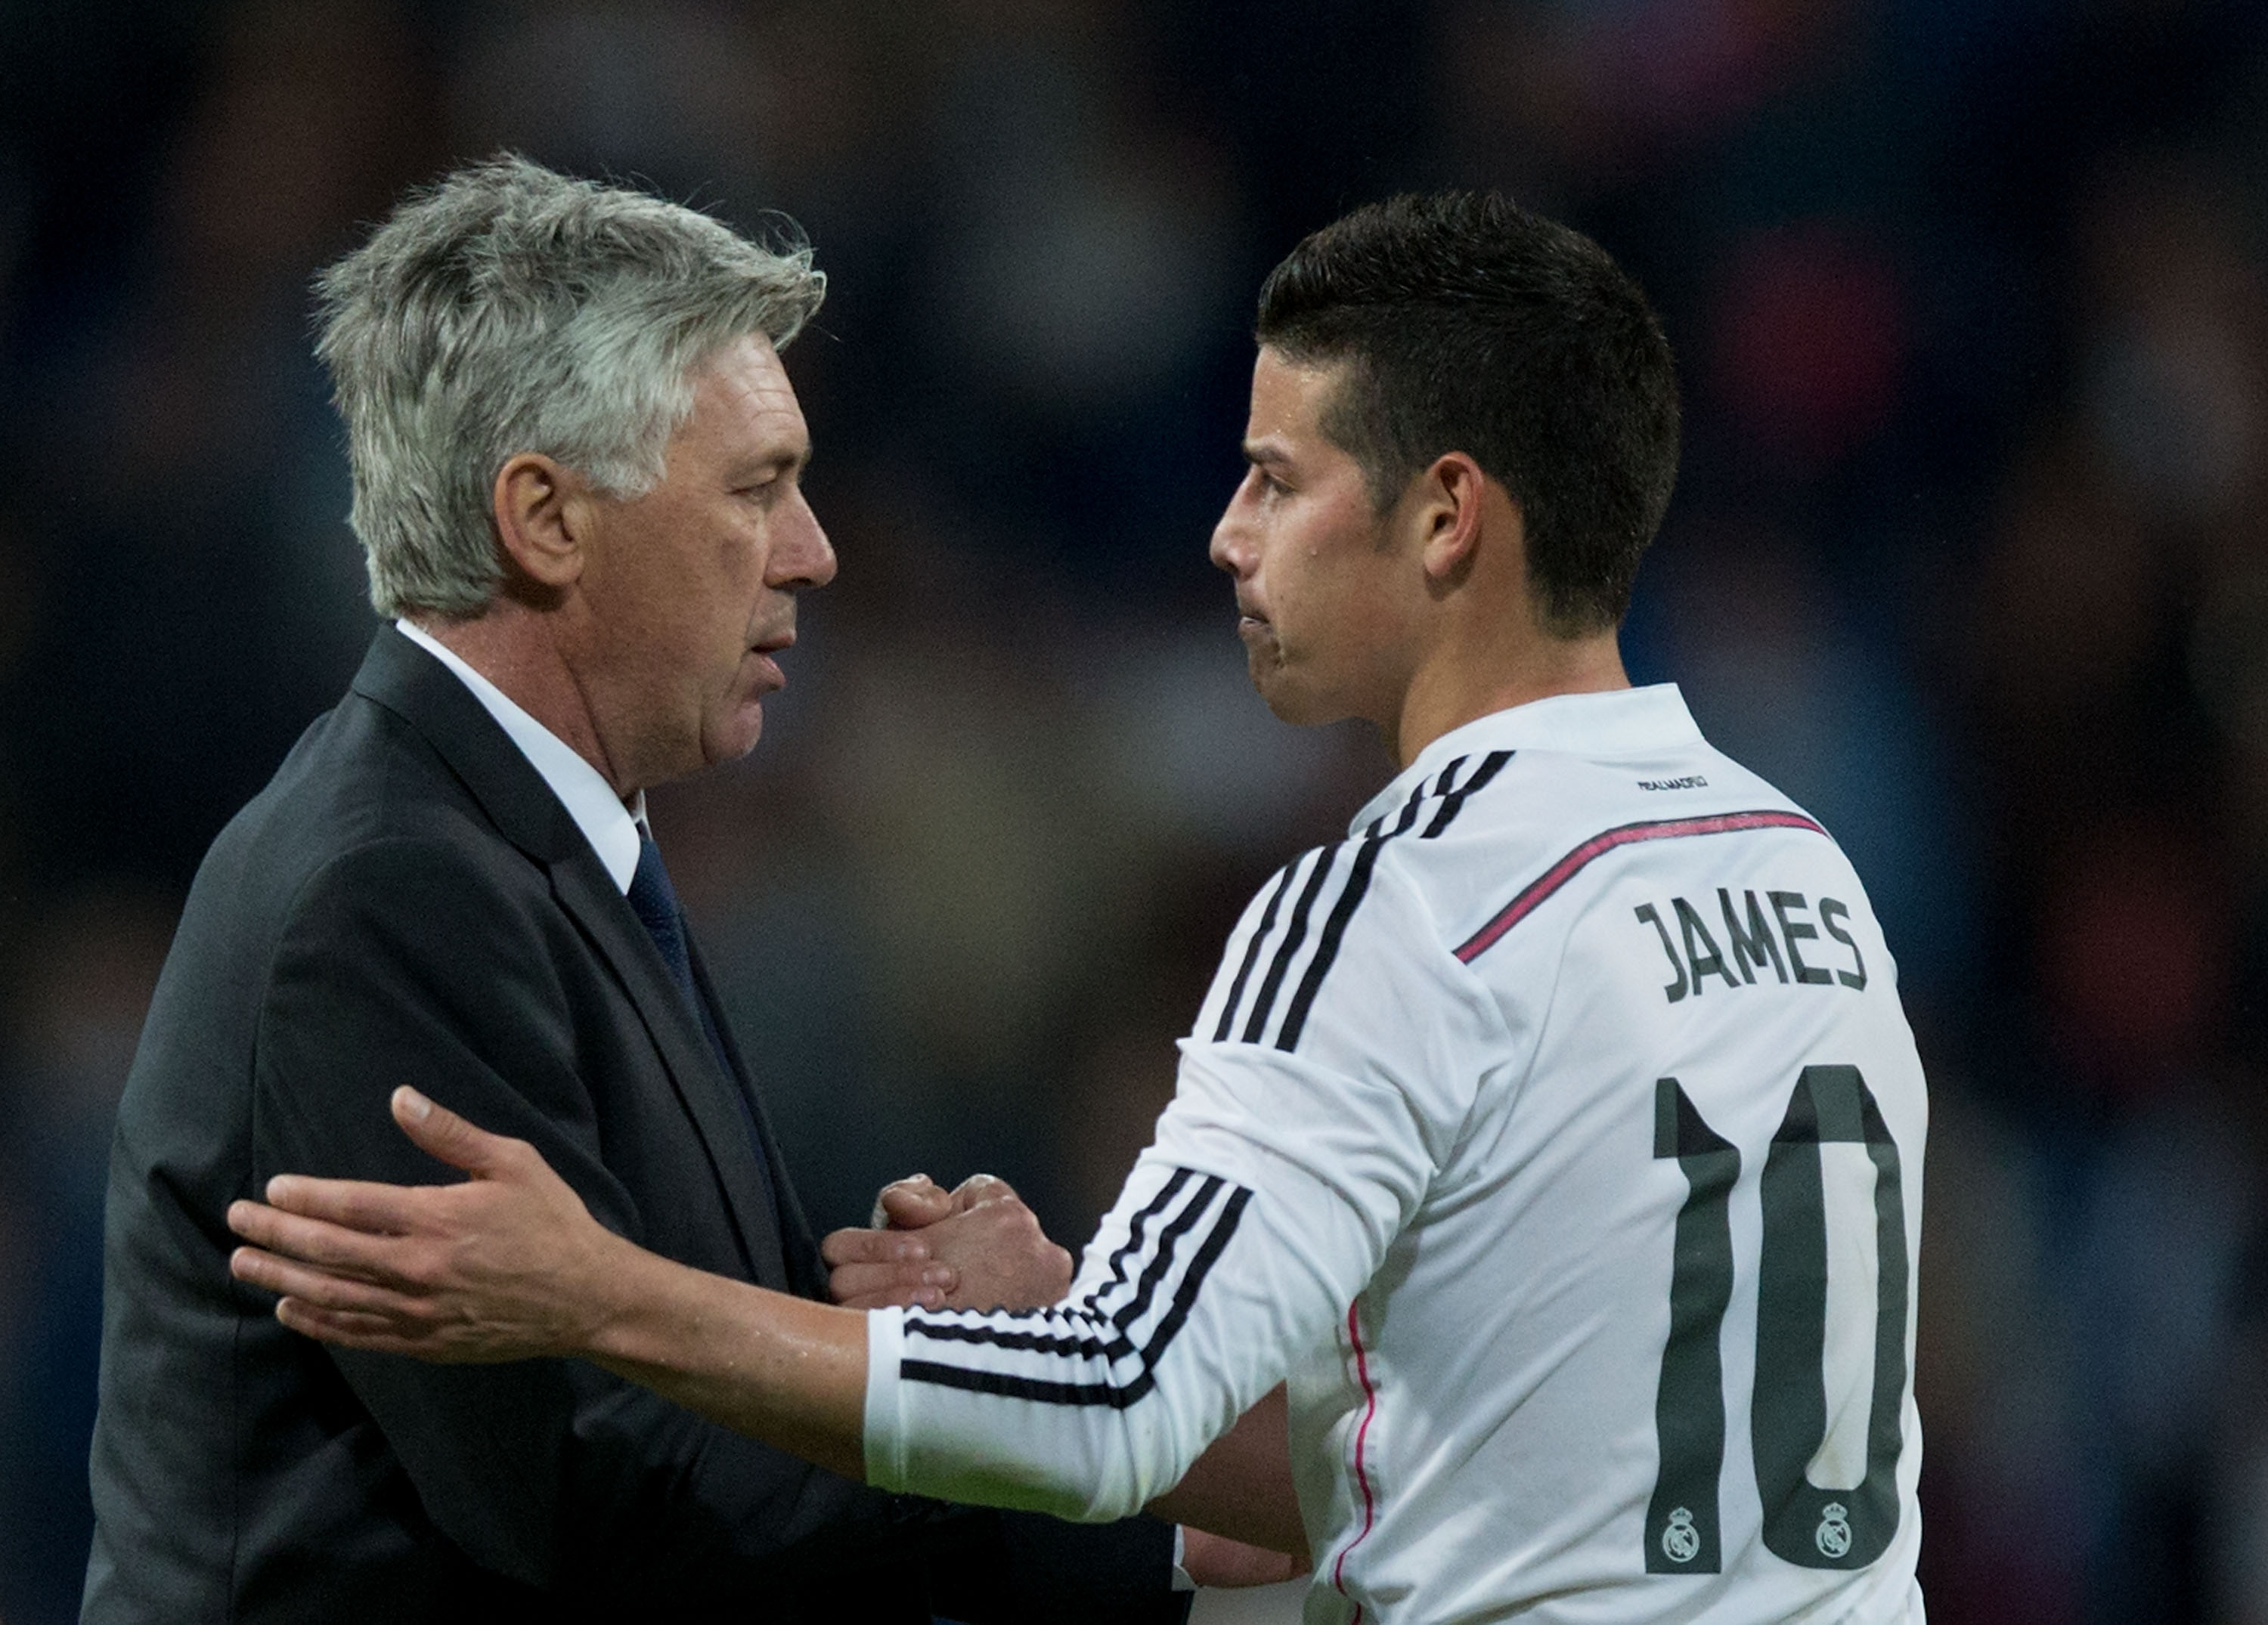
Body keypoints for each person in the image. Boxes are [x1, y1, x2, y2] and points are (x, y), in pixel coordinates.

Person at [229, 191, 1930, 1622]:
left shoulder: (1407, 905)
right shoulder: (1802, 871)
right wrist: (1067, 1321)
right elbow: (1521, 1442)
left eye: (1276, 478)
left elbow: (1104, 1414)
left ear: (1443, 515)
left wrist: (595, 1289)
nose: (1224, 534)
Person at [82, 155, 1225, 1621]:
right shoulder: (385, 893)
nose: (814, 554)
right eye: (758, 489)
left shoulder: (528, 846)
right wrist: (1042, 1430)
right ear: (547, 519)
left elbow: (643, 1358)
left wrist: (923, 1326)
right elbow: (593, 1484)